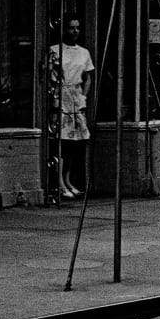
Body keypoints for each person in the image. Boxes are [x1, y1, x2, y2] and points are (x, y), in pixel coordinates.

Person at [47, 15, 94, 199]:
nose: (75, 31)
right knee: (61, 140)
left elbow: (89, 76)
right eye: (71, 28)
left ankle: (67, 180)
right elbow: (50, 76)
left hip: (76, 96)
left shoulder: (84, 52)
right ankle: (58, 182)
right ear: (64, 29)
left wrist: (83, 96)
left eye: (77, 28)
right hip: (61, 96)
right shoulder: (55, 50)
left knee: (75, 143)